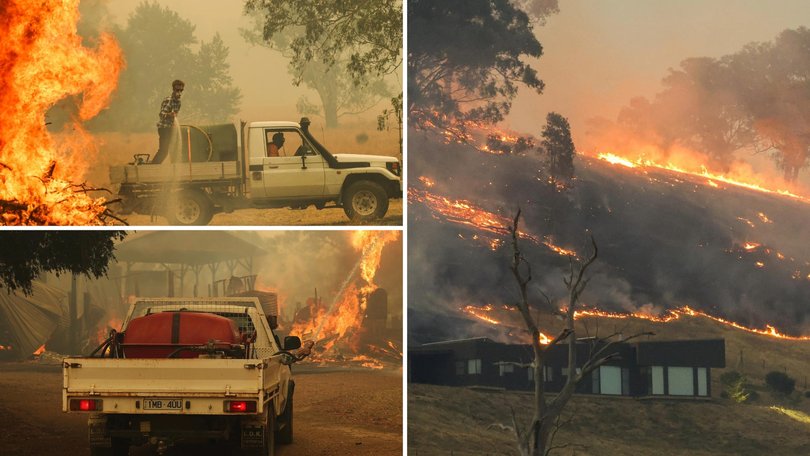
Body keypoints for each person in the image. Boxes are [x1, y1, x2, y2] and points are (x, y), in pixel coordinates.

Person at [152, 79, 185, 164]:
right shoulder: (168, 100)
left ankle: (174, 169)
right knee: (164, 150)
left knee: (174, 150)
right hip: (164, 128)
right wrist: (169, 114)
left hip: (171, 128)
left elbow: (175, 116)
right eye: (177, 90)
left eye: (181, 90)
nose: (179, 92)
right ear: (173, 90)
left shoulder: (179, 102)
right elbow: (161, 114)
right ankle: (152, 167)